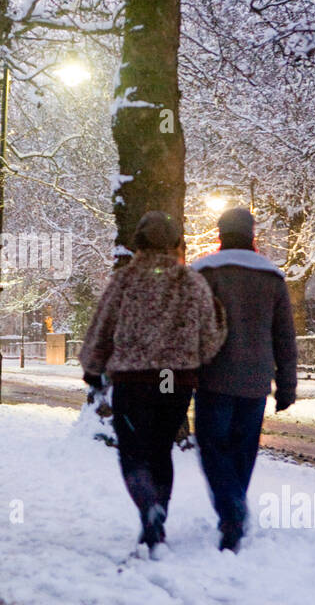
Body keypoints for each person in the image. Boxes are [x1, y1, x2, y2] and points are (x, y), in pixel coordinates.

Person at [80, 211, 226, 555]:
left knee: (133, 449)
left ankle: (148, 508)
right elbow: (209, 338)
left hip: (133, 380)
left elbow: (102, 327)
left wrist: (92, 366)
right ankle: (158, 513)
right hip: (171, 380)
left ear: (139, 243)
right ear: (178, 242)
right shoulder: (192, 282)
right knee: (161, 448)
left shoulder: (124, 280)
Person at [192, 208, 298, 553]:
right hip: (256, 381)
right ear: (252, 234)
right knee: (243, 449)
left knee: (212, 446)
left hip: (212, 377)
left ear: (219, 233)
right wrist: (286, 385)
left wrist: (172, 380)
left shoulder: (203, 272)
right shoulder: (272, 278)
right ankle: (234, 505)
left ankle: (230, 507)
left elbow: (186, 329)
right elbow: (284, 336)